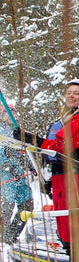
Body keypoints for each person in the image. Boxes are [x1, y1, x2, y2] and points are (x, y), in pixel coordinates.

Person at [15, 79, 79, 262]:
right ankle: (71, 255)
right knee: (62, 216)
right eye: (69, 92)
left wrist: (31, 139)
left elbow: (61, 145)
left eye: (77, 93)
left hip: (74, 174)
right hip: (61, 174)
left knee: (72, 215)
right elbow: (52, 149)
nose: (71, 96)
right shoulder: (64, 119)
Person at [0, 104, 33, 244]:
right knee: (7, 205)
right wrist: (6, 164)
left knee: (27, 205)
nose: (11, 115)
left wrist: (31, 163)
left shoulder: (17, 131)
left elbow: (24, 151)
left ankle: (12, 234)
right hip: (6, 173)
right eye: (8, 113)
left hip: (20, 173)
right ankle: (3, 236)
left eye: (13, 112)